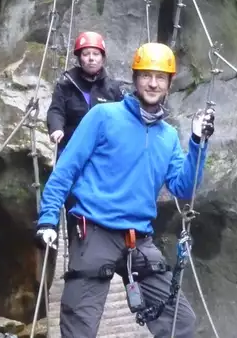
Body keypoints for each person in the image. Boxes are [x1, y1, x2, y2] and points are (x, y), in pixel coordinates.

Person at [35, 42, 216, 338]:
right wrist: (47, 218)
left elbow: (183, 186)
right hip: (93, 232)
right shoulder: (103, 117)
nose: (153, 83)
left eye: (160, 77)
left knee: (180, 322)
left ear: (169, 84)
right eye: (146, 75)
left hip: (138, 240)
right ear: (134, 79)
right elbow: (66, 168)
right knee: (78, 327)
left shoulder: (168, 136)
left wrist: (198, 143)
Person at [46, 30, 125, 161]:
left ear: (102, 58)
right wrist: (56, 128)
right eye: (86, 54)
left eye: (96, 54)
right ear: (79, 58)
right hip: (70, 149)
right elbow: (56, 110)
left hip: (103, 152)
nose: (91, 58)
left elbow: (124, 119)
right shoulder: (66, 86)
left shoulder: (114, 89)